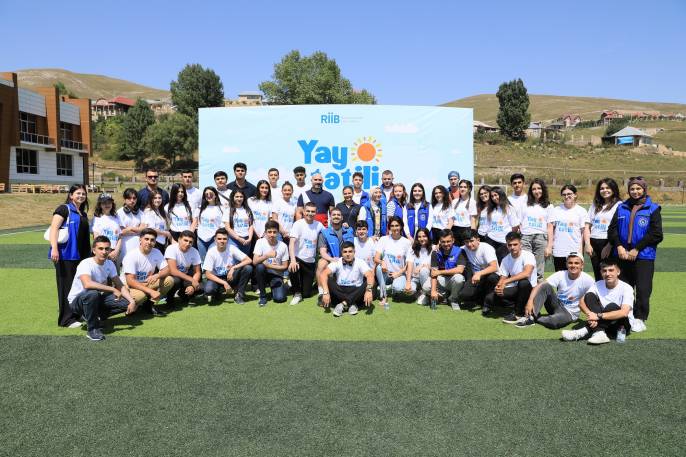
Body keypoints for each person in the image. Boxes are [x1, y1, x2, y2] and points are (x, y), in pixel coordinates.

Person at [607, 176, 663, 333]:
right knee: (625, 288)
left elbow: (656, 234)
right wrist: (618, 246)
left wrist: (637, 249)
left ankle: (639, 318)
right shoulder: (621, 207)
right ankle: (626, 315)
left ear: (644, 189)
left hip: (643, 256)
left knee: (643, 289)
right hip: (622, 256)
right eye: (632, 189)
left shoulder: (653, 208)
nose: (635, 191)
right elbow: (612, 230)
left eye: (638, 188)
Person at [67, 236, 136, 341]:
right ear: (94, 250)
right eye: (100, 248)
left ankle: (96, 317)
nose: (104, 252)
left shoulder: (110, 264)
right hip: (77, 302)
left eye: (107, 249)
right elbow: (87, 284)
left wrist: (132, 301)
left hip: (97, 298)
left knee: (125, 303)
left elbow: (119, 284)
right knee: (92, 293)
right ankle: (92, 330)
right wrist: (112, 289)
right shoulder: (85, 263)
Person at [561, 258, 633, 344]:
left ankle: (582, 332)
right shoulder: (598, 284)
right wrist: (590, 315)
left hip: (621, 326)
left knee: (612, 306)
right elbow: (581, 302)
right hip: (604, 323)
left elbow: (624, 312)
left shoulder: (627, 288)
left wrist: (598, 316)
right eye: (604, 271)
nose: (607, 274)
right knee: (589, 296)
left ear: (618, 272)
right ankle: (599, 333)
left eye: (611, 270)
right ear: (601, 272)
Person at [48, 184, 92, 328]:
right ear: (71, 195)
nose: (81, 196)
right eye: (78, 193)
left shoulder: (82, 213)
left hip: (80, 256)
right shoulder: (63, 209)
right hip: (65, 255)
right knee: (66, 286)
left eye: (83, 194)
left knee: (78, 286)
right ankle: (66, 319)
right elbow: (54, 229)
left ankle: (76, 314)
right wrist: (54, 249)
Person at [517, 252, 594, 329]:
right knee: (545, 286)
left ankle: (535, 318)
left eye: (576, 263)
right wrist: (530, 301)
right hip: (556, 305)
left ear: (582, 265)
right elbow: (539, 285)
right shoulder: (560, 274)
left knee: (553, 322)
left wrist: (592, 314)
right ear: (566, 264)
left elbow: (595, 295)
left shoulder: (587, 279)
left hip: (570, 313)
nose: (573, 265)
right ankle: (531, 316)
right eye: (570, 263)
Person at [121, 228, 174, 316]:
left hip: (146, 283)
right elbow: (130, 281)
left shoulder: (156, 252)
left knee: (169, 280)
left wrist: (157, 275)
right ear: (140, 240)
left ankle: (149, 305)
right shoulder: (131, 255)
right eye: (146, 239)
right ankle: (131, 306)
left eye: (152, 240)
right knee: (140, 296)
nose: (149, 242)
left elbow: (167, 269)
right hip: (129, 286)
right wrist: (150, 291)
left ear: (155, 242)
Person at [486, 232, 536, 322]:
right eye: (510, 245)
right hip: (515, 288)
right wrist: (499, 286)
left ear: (520, 244)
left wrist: (505, 282)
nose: (512, 247)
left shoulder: (528, 255)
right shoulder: (506, 259)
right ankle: (515, 306)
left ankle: (518, 314)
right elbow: (503, 277)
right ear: (507, 245)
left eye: (515, 244)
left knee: (523, 282)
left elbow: (527, 273)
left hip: (530, 289)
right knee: (490, 298)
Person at [319, 241, 375, 317]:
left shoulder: (360, 262)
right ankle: (351, 303)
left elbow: (370, 275)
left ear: (354, 252)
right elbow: (323, 274)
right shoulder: (337, 261)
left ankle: (343, 303)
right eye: (345, 252)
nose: (348, 254)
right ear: (341, 253)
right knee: (328, 279)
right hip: (340, 291)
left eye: (350, 251)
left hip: (356, 290)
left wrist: (368, 290)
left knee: (370, 282)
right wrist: (325, 292)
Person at [204, 228, 253, 305]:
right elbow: (207, 274)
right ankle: (217, 292)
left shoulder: (232, 248)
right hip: (216, 278)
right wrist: (224, 283)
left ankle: (239, 295)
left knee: (248, 268)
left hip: (230, 276)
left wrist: (234, 267)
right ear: (215, 239)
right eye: (219, 239)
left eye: (224, 239)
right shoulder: (211, 252)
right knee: (209, 290)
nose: (222, 241)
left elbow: (249, 260)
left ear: (228, 239)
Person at [584, 178, 621, 280]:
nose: (605, 190)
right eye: (602, 188)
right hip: (593, 242)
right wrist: (587, 244)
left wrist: (609, 245)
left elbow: (617, 228)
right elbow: (587, 226)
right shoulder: (595, 205)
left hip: (608, 242)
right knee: (598, 274)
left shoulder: (619, 205)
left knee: (609, 273)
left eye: (608, 188)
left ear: (613, 189)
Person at [316, 208, 354, 304]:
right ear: (330, 217)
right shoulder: (324, 233)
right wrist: (332, 259)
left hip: (347, 259)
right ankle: (321, 292)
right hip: (332, 259)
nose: (336, 216)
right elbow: (322, 252)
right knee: (321, 263)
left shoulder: (349, 230)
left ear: (342, 217)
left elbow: (361, 237)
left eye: (338, 215)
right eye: (334, 215)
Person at [547, 185, 589, 271]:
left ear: (575, 195)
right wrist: (550, 246)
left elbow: (583, 232)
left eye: (569, 194)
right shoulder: (556, 210)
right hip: (559, 252)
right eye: (564, 194)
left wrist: (581, 251)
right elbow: (551, 229)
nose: (566, 196)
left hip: (575, 252)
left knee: (575, 277)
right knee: (560, 277)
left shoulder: (581, 211)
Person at [289, 202, 324, 305]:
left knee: (307, 294)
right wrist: (293, 260)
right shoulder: (298, 224)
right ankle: (296, 293)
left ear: (316, 212)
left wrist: (343, 227)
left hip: (310, 262)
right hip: (298, 259)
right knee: (293, 267)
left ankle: (293, 285)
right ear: (304, 212)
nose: (310, 213)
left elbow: (329, 233)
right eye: (308, 211)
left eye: (313, 211)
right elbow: (291, 243)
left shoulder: (319, 225)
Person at [374, 217, 413, 309]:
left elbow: (409, 263)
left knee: (398, 288)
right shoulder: (383, 239)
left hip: (399, 274)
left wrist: (399, 273)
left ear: (401, 227)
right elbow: (376, 258)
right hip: (386, 272)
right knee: (379, 267)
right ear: (389, 227)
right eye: (392, 226)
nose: (394, 228)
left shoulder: (407, 242)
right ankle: (384, 296)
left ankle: (393, 289)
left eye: (397, 225)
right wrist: (382, 262)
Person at [424, 229, 466, 310]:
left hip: (453, 279)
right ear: (440, 241)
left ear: (453, 240)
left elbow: (460, 270)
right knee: (426, 287)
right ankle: (444, 296)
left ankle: (453, 299)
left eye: (448, 241)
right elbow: (434, 273)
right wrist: (433, 291)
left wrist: (440, 272)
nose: (446, 244)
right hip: (441, 279)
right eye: (443, 242)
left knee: (459, 278)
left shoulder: (460, 251)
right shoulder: (435, 252)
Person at [520, 178, 553, 282]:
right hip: (525, 238)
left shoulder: (549, 206)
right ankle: (526, 290)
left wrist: (549, 246)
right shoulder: (525, 204)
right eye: (534, 189)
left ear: (543, 189)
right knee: (525, 268)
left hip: (541, 238)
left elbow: (550, 227)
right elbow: (520, 223)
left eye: (539, 188)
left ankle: (538, 291)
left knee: (539, 271)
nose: (536, 191)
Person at [458, 230, 499, 311]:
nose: (469, 244)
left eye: (471, 241)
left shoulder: (486, 248)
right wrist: (438, 247)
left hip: (491, 275)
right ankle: (479, 298)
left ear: (478, 240)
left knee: (492, 278)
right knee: (464, 295)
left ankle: (488, 303)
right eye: (466, 242)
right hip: (476, 278)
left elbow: (494, 267)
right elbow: (452, 249)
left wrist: (479, 273)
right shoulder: (463, 248)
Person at [253, 221, 290, 306]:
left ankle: (283, 286)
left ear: (278, 233)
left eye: (274, 232)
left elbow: (285, 266)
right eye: (269, 232)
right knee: (260, 267)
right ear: (265, 233)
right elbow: (255, 261)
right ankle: (263, 296)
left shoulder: (283, 246)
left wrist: (269, 265)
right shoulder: (260, 242)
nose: (272, 234)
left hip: (276, 275)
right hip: (263, 274)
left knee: (280, 298)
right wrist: (267, 255)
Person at [165, 230, 203, 302]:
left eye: (190, 242)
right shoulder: (171, 248)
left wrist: (192, 286)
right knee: (176, 281)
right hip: (171, 276)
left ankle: (183, 293)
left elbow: (197, 272)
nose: (188, 243)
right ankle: (169, 298)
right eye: (185, 240)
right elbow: (173, 271)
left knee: (201, 288)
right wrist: (192, 280)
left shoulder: (195, 251)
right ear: (179, 239)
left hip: (185, 276)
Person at [485, 186, 520, 262]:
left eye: (496, 195)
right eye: (492, 196)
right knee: (491, 263)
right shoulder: (490, 209)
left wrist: (509, 240)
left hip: (503, 242)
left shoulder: (509, 208)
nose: (494, 198)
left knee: (503, 264)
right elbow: (488, 225)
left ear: (501, 194)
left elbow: (515, 226)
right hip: (491, 240)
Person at [91, 193, 122, 265]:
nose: (107, 205)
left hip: (114, 252)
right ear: (100, 205)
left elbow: (120, 236)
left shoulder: (116, 217)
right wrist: (105, 251)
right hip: (102, 251)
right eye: (104, 203)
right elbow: (96, 237)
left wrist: (116, 251)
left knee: (113, 271)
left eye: (109, 202)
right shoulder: (97, 217)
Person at [404, 228, 433, 304]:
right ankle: (418, 292)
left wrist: (422, 266)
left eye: (424, 236)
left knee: (424, 270)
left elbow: (434, 267)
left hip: (427, 278)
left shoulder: (433, 249)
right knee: (408, 291)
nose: (422, 239)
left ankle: (424, 293)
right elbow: (409, 265)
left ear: (428, 237)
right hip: (415, 278)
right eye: (419, 237)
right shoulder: (412, 249)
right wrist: (408, 282)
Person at [117, 188, 145, 263]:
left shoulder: (140, 212)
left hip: (138, 243)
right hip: (125, 244)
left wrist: (129, 228)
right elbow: (122, 232)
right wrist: (138, 230)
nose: (132, 200)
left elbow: (143, 229)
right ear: (125, 199)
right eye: (129, 198)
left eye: (134, 198)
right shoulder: (120, 212)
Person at [223, 189, 255, 256]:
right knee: (235, 260)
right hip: (234, 240)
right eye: (237, 196)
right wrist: (238, 238)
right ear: (233, 197)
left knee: (245, 260)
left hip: (246, 240)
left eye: (241, 196)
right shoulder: (228, 210)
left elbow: (251, 226)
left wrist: (249, 238)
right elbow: (227, 228)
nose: (239, 198)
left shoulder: (248, 210)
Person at [197, 187, 224, 260]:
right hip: (201, 239)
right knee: (203, 260)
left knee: (214, 259)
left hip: (214, 238)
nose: (209, 196)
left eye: (211, 194)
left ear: (215, 195)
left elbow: (223, 225)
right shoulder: (200, 208)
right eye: (206, 194)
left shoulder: (222, 208)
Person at [451, 179, 477, 246]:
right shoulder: (454, 201)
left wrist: (473, 235)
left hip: (466, 230)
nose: (462, 189)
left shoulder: (472, 202)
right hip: (455, 230)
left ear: (469, 189)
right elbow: (451, 219)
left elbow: (473, 221)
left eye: (465, 187)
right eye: (461, 187)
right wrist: (447, 231)